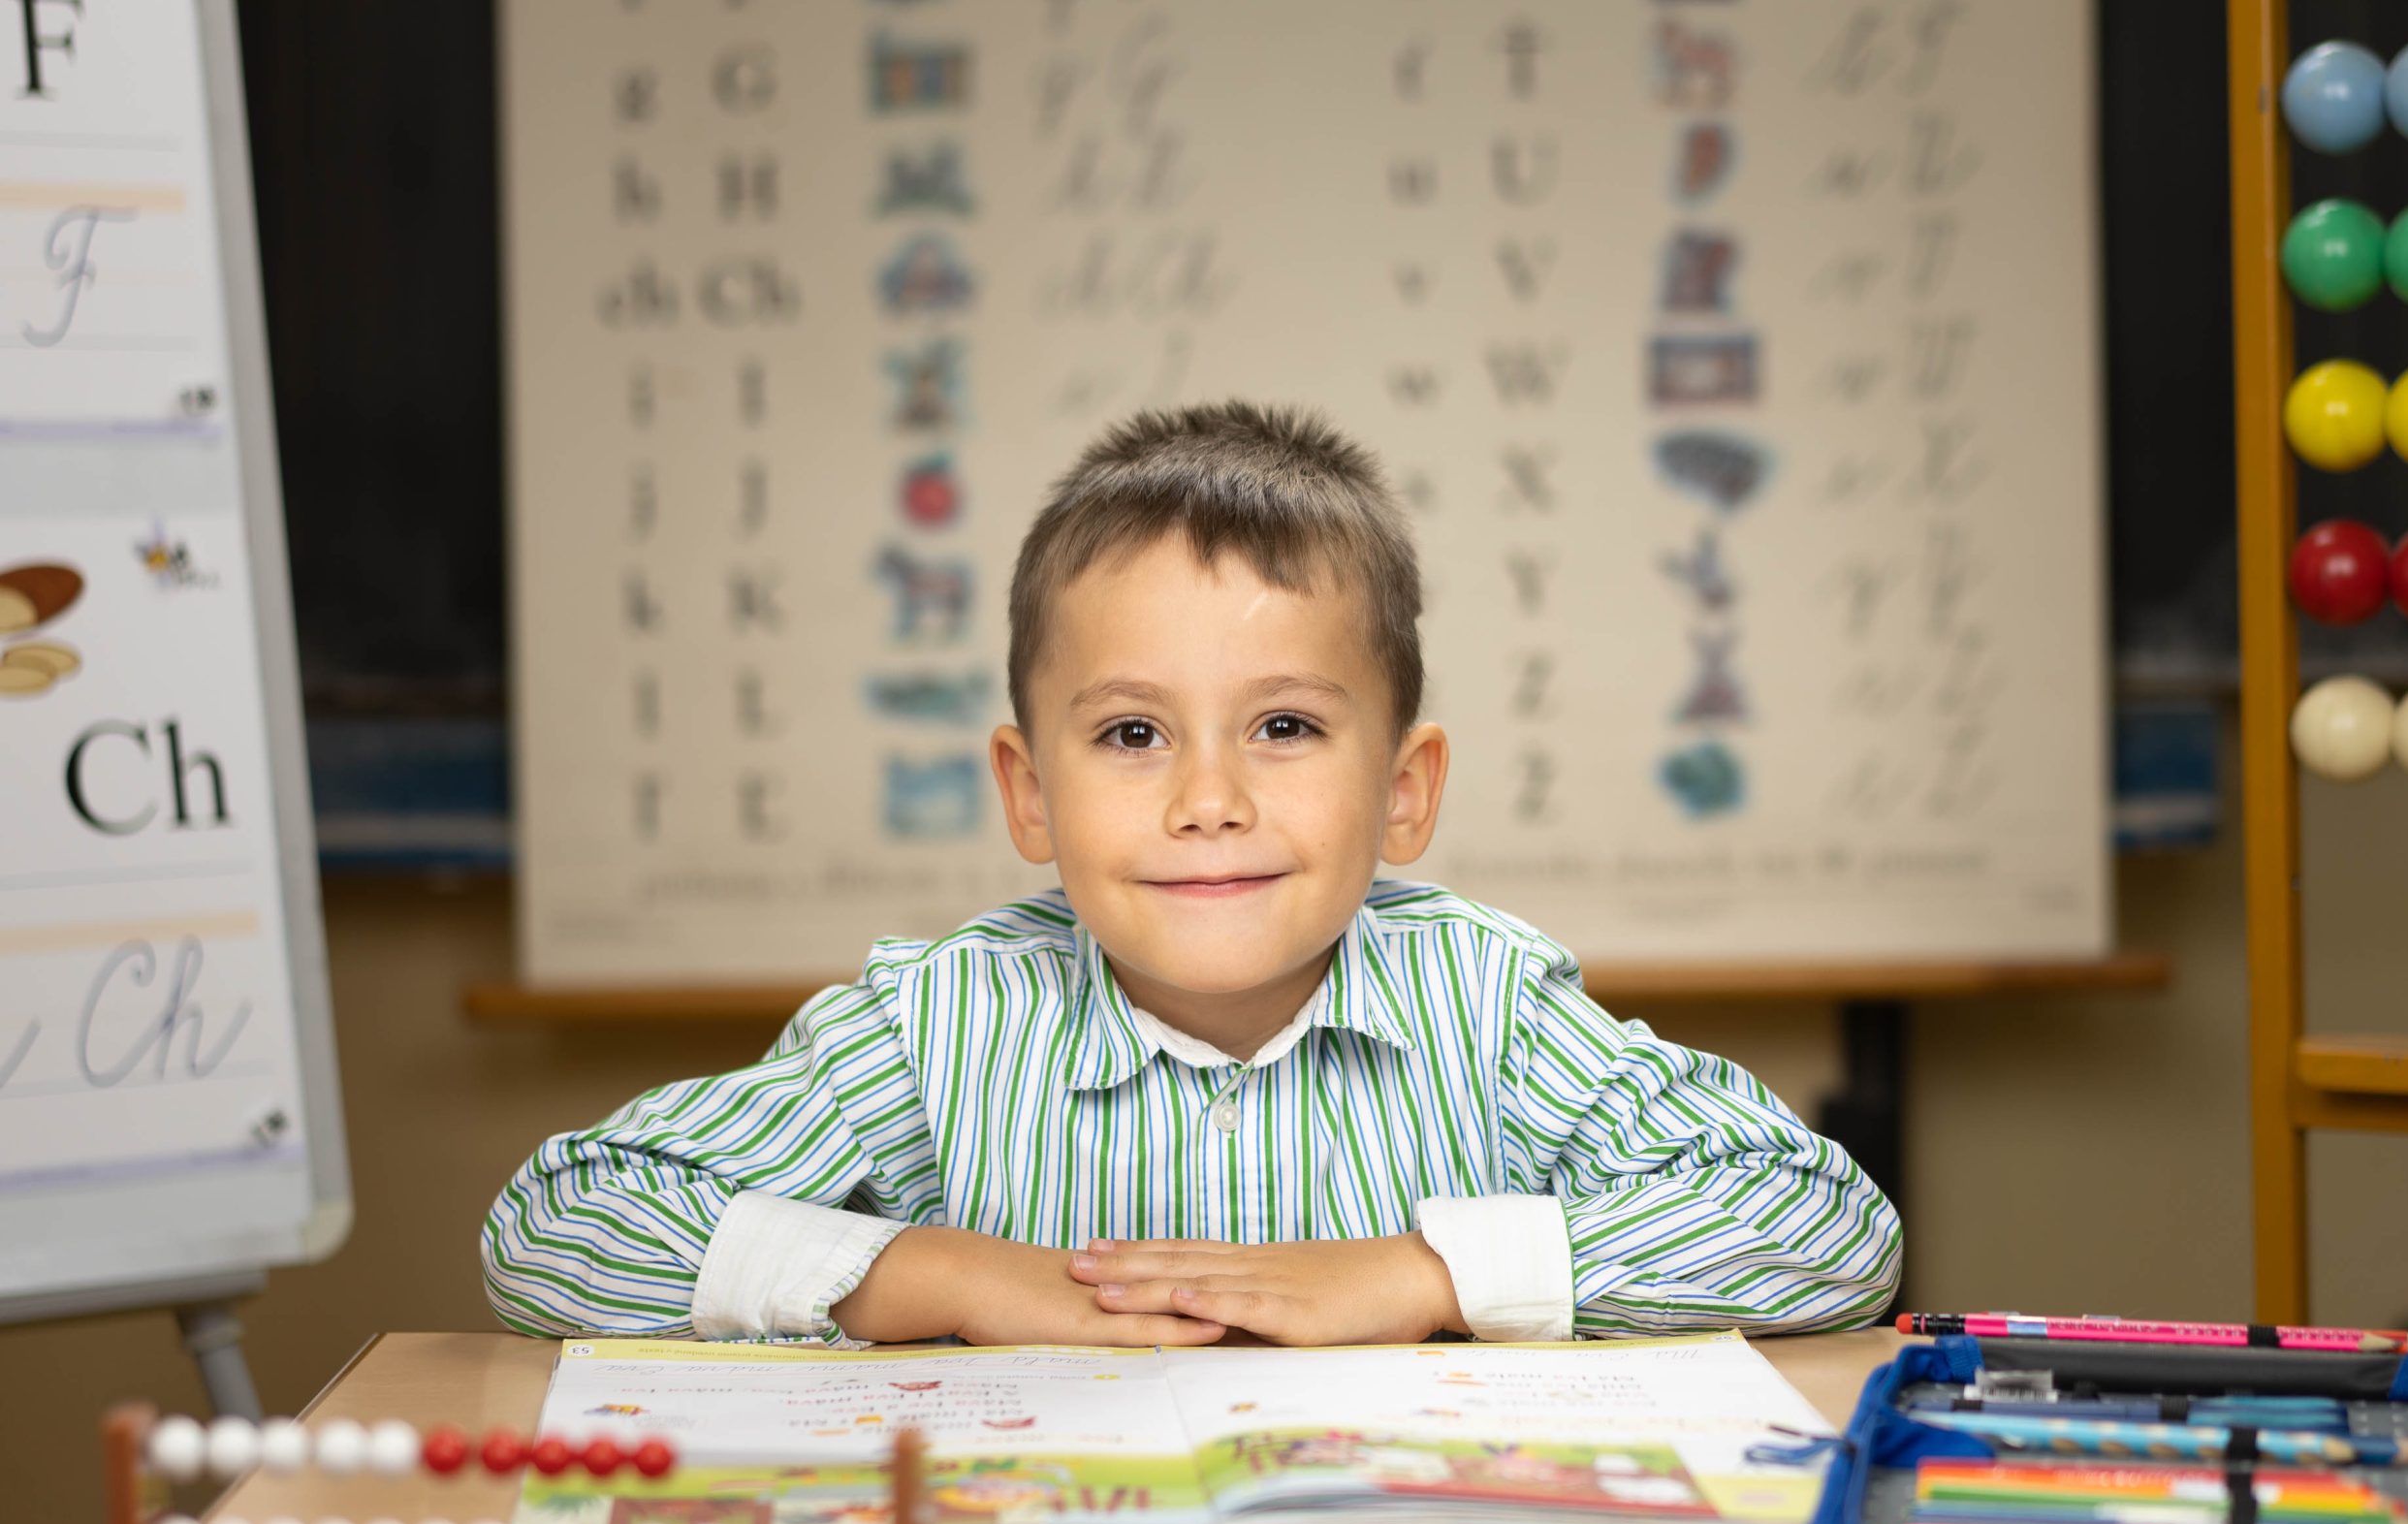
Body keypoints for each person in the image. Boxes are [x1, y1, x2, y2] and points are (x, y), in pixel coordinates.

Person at [481, 402, 1901, 1348]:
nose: (1208, 803)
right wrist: (949, 1276)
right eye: (1131, 734)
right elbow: (558, 1223)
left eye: (1284, 728)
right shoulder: (933, 1028)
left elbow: (1820, 1221)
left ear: (1403, 793)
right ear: (1029, 795)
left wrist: (1421, 1273)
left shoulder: (1490, 1008)